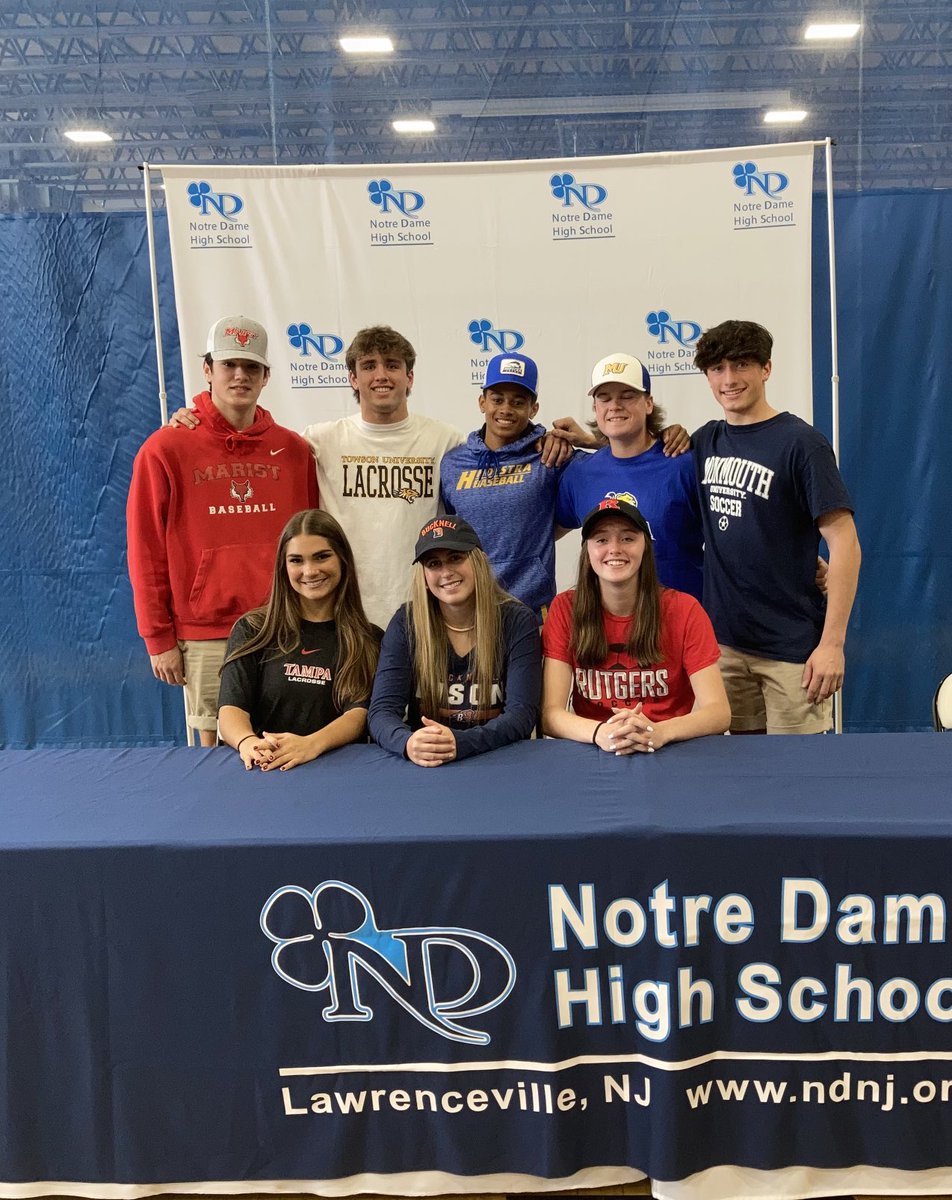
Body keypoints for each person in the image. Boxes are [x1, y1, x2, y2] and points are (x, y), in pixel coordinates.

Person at [171, 326, 578, 629]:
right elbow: (255, 443)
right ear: (353, 378)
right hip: (343, 613)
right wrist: (201, 420)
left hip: (426, 613)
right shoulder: (319, 440)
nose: (381, 375)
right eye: (369, 366)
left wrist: (547, 439)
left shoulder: (447, 443)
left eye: (393, 366)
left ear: (410, 378)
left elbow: (503, 469)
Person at [126, 315, 318, 746]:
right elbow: (145, 550)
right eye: (229, 364)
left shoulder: (293, 450)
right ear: (208, 370)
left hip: (283, 626)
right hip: (206, 632)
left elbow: (310, 542)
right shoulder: (165, 448)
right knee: (213, 754)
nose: (239, 376)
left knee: (288, 742)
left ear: (266, 376)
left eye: (251, 367)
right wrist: (158, 638)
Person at [692, 319, 861, 735]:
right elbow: (639, 455)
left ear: (766, 368)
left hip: (791, 650)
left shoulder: (801, 443)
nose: (729, 379)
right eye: (717, 368)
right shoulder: (704, 441)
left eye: (741, 365)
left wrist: (832, 644)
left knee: (799, 769)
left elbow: (845, 544)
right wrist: (589, 440)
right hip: (724, 646)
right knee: (739, 767)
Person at [542, 498, 729, 752]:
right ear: (587, 551)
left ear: (645, 548)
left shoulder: (685, 609)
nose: (614, 549)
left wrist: (659, 732)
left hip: (669, 747)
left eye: (627, 538)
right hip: (595, 747)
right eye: (601, 540)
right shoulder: (565, 609)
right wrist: (601, 733)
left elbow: (718, 712)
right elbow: (550, 714)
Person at [218, 510, 382, 771]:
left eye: (322, 556)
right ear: (283, 567)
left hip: (337, 771)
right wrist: (248, 742)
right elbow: (231, 708)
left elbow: (358, 714)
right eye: (296, 560)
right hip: (264, 768)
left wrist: (310, 745)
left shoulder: (369, 638)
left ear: (342, 560)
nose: (310, 571)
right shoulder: (253, 630)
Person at [369, 516, 541, 765]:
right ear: (424, 576)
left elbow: (522, 715)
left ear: (479, 561)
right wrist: (407, 743)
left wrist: (460, 743)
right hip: (428, 764)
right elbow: (381, 712)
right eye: (433, 563)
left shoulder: (517, 620)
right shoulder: (406, 622)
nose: (446, 572)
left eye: (455, 558)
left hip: (498, 761)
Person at [439, 352, 577, 621]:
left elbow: (612, 466)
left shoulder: (549, 455)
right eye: (497, 399)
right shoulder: (453, 463)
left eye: (518, 401)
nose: (506, 409)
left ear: (534, 408)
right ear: (482, 402)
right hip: (471, 610)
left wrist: (594, 440)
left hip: (532, 611)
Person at [555, 353, 704, 601]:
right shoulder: (579, 473)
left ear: (648, 404)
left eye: (627, 396)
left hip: (679, 616)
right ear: (595, 408)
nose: (615, 405)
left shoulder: (684, 464)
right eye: (605, 398)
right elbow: (542, 534)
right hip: (607, 619)